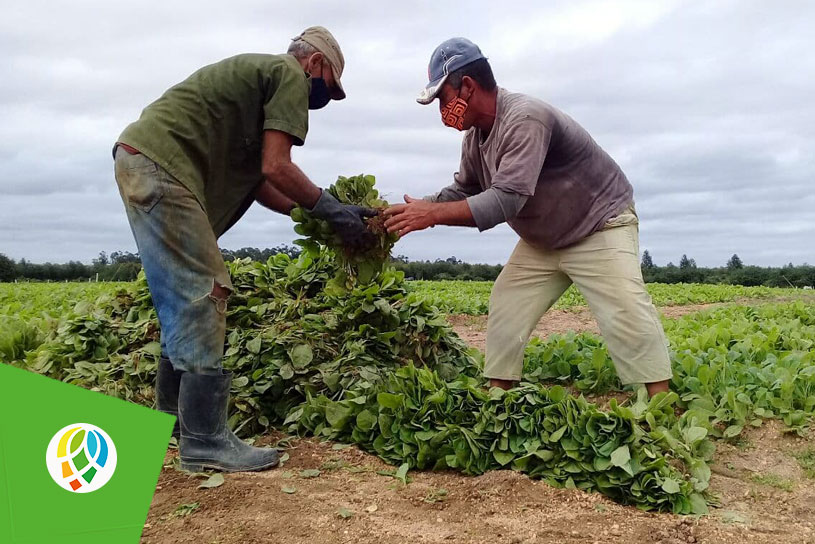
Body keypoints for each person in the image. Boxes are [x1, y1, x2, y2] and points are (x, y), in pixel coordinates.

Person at [113, 26, 375, 472]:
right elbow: (279, 165)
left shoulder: (257, 87)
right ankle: (205, 440)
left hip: (143, 160)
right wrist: (332, 210)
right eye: (328, 86)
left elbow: (264, 183)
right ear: (314, 64)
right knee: (205, 289)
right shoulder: (289, 74)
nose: (324, 98)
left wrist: (323, 214)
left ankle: (172, 424)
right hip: (161, 167)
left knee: (181, 301)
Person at [383, 38, 672, 397]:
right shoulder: (475, 138)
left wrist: (432, 216)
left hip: (600, 224)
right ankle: (498, 396)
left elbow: (506, 200)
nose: (442, 109)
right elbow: (466, 189)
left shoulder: (526, 118)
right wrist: (417, 208)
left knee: (626, 310)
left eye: (443, 98)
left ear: (468, 87)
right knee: (507, 303)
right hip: (545, 239)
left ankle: (662, 406)